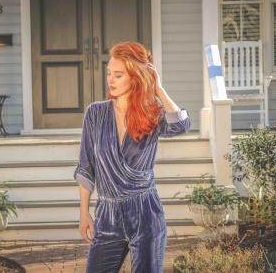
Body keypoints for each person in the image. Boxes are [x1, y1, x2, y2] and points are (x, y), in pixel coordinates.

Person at [74, 41, 191, 272]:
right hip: (107, 215)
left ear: (135, 77)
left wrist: (158, 89)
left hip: (146, 213)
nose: (110, 80)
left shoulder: (152, 114)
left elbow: (181, 126)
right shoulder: (95, 114)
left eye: (118, 75)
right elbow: (86, 166)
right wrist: (83, 212)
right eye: (109, 73)